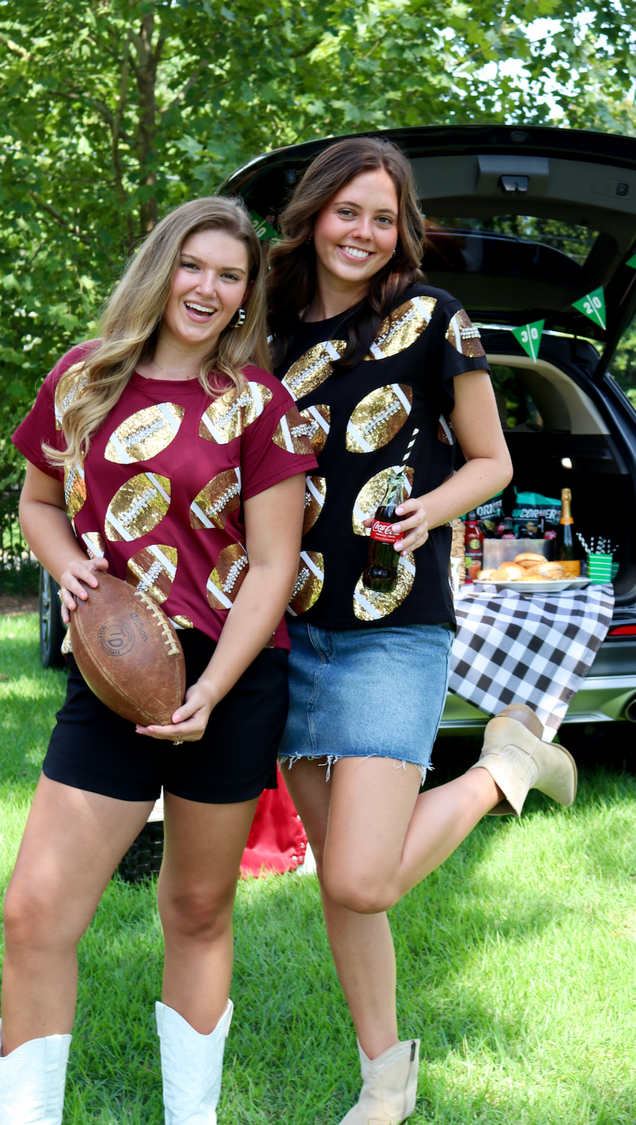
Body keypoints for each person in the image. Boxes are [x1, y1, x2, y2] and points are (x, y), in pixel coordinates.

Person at [266, 137, 577, 1124]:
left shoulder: (435, 320)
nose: (362, 231)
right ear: (313, 213)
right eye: (345, 210)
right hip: (282, 626)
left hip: (393, 620)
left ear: (402, 230)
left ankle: (502, 767)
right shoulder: (260, 322)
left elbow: (488, 461)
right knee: (340, 885)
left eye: (382, 216)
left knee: (359, 877)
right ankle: (384, 1077)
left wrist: (432, 508)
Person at [0, 196, 317, 1124]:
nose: (209, 289)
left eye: (232, 275)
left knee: (197, 909)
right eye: (194, 266)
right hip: (112, 675)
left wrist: (211, 692)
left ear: (248, 294)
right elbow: (39, 503)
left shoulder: (260, 402)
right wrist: (71, 568)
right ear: (159, 267)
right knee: (37, 912)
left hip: (231, 678)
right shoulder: (83, 378)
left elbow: (273, 563)